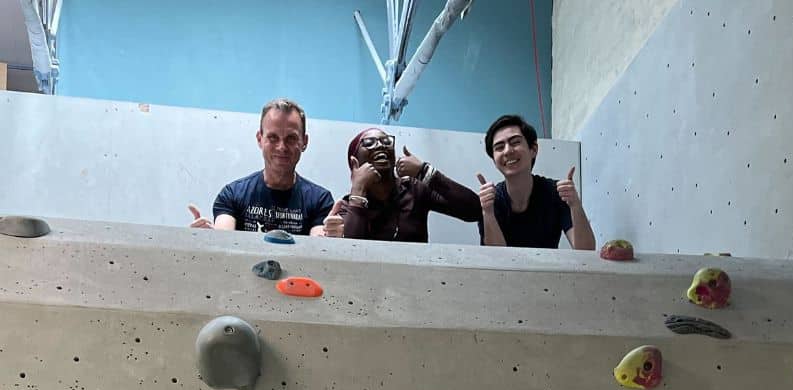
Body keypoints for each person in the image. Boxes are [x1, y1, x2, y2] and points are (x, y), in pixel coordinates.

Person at [188, 98, 334, 236]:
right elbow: (223, 239)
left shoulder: (320, 200)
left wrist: (331, 239)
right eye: (273, 137)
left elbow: (319, 245)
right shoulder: (232, 195)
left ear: (304, 142)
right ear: (260, 139)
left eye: (291, 138)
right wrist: (205, 239)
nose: (281, 147)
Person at [322, 128, 481, 242]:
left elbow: (474, 211)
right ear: (354, 162)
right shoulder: (348, 206)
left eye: (386, 141)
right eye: (369, 142)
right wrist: (358, 190)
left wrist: (426, 173)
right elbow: (350, 253)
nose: (380, 145)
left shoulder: (414, 189)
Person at [476, 115, 596, 250]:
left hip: (548, 270)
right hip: (507, 271)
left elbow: (586, 251)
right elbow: (496, 260)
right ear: (494, 161)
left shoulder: (556, 193)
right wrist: (488, 212)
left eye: (515, 142)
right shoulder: (490, 201)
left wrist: (575, 204)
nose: (508, 151)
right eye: (499, 147)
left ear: (533, 150)